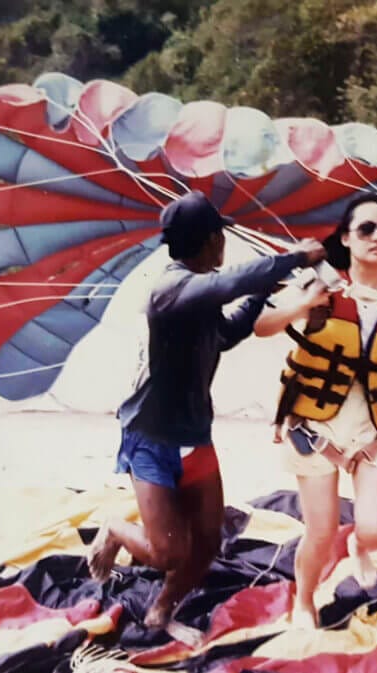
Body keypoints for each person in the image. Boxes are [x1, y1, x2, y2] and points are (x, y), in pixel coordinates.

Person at [84, 191, 326, 637]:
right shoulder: (171, 288)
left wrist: (259, 294)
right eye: (221, 237)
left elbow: (226, 334)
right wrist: (292, 258)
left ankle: (162, 609)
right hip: (151, 437)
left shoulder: (196, 293)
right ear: (213, 240)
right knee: (168, 553)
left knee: (208, 542)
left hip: (194, 434)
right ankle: (117, 530)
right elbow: (226, 283)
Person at [253, 195, 377, 628]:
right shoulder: (319, 284)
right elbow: (263, 326)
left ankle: (360, 546)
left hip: (376, 432)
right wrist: (304, 304)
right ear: (346, 237)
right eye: (367, 229)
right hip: (317, 428)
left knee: (376, 530)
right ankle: (303, 601)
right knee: (319, 533)